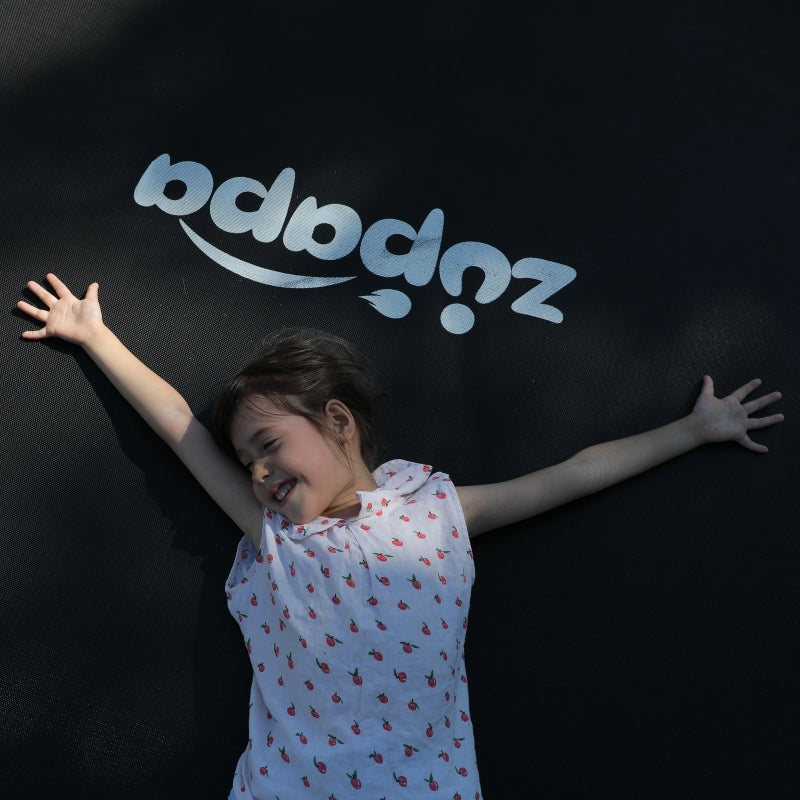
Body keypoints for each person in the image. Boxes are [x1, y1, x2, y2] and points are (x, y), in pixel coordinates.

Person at [17, 273, 784, 799]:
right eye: (248, 463)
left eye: (269, 446)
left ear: (338, 422)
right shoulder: (276, 539)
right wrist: (97, 339)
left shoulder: (440, 514)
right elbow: (182, 431)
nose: (259, 473)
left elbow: (574, 474)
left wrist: (693, 431)